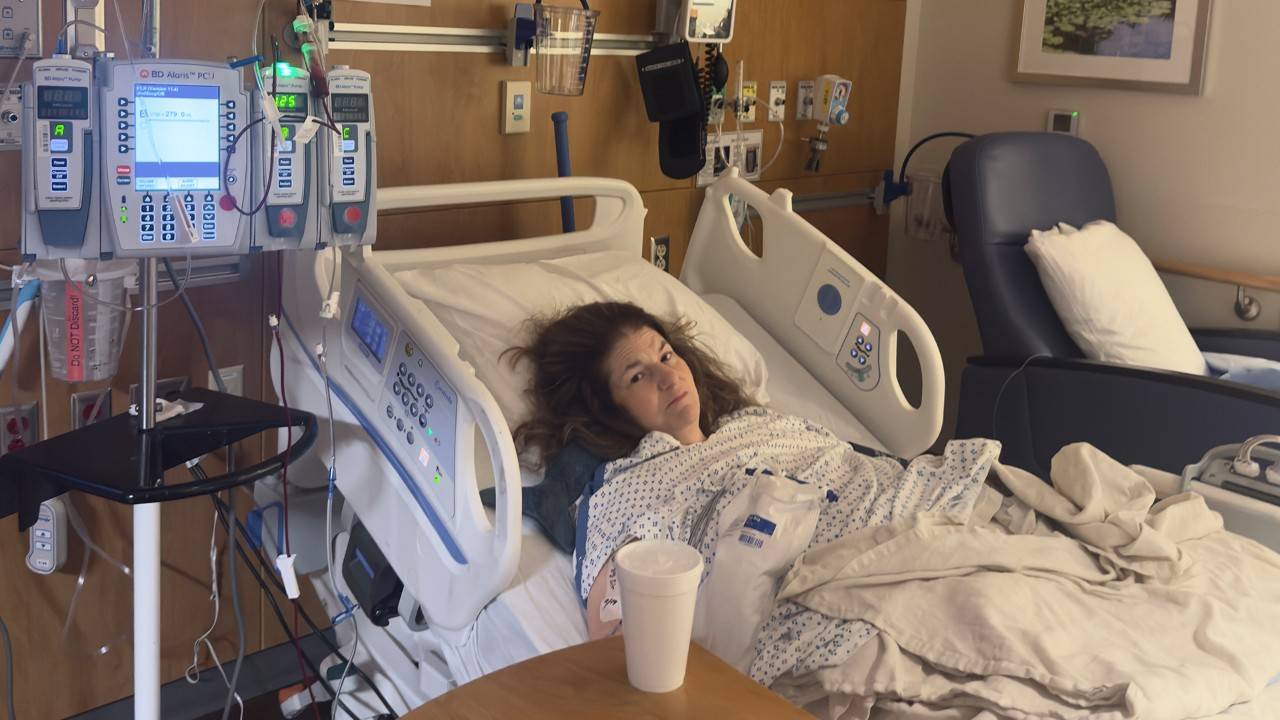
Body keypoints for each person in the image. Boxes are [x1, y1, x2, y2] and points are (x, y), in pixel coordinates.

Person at [507, 301, 1001, 684]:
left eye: (666, 355)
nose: (668, 377)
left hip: (924, 533)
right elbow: (620, 638)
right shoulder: (629, 486)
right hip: (838, 603)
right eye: (638, 376)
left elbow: (854, 468)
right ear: (606, 408)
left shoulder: (759, 423)